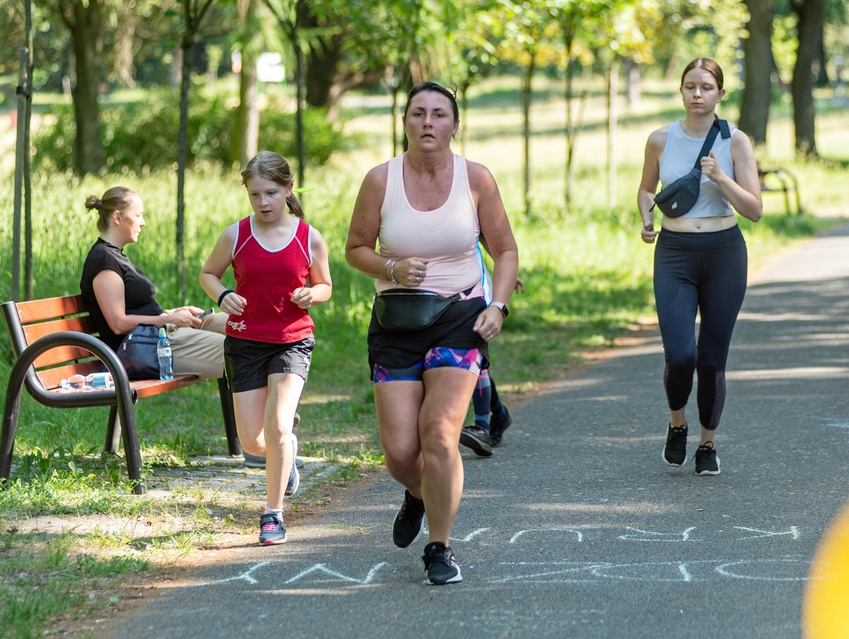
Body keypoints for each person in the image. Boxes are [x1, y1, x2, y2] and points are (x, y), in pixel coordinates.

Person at [345, 81, 519, 584]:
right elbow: (356, 248)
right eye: (418, 113)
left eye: (439, 114)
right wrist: (392, 268)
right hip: (396, 319)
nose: (427, 123)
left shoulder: (476, 179)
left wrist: (499, 306)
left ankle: (440, 547)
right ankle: (418, 491)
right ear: (404, 122)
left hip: (460, 317)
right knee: (401, 454)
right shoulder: (380, 180)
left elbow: (504, 250)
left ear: (454, 125)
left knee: (439, 434)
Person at [200, 151, 332, 545]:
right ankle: (286, 455)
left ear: (288, 189)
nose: (263, 203)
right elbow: (208, 273)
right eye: (255, 194)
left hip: (292, 341)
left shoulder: (309, 236)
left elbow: (325, 285)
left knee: (276, 425)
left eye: (271, 193)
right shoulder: (236, 235)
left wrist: (314, 294)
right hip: (244, 342)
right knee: (252, 441)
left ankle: (272, 514)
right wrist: (223, 294)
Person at [637, 58, 762, 476]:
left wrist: (722, 179)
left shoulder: (736, 141)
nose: (697, 94)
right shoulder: (660, 138)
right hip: (674, 252)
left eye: (706, 87)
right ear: (681, 91)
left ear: (720, 94)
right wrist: (647, 218)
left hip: (725, 252)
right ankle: (677, 424)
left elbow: (755, 209)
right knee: (680, 352)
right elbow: (645, 189)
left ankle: (707, 444)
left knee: (711, 358)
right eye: (690, 86)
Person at [80, 186, 227, 381]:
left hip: (161, 333)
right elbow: (118, 323)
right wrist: (168, 320)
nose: (143, 222)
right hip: (148, 346)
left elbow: (138, 311)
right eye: (138, 215)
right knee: (242, 350)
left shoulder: (114, 255)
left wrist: (174, 312)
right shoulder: (103, 260)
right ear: (117, 217)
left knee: (247, 325)